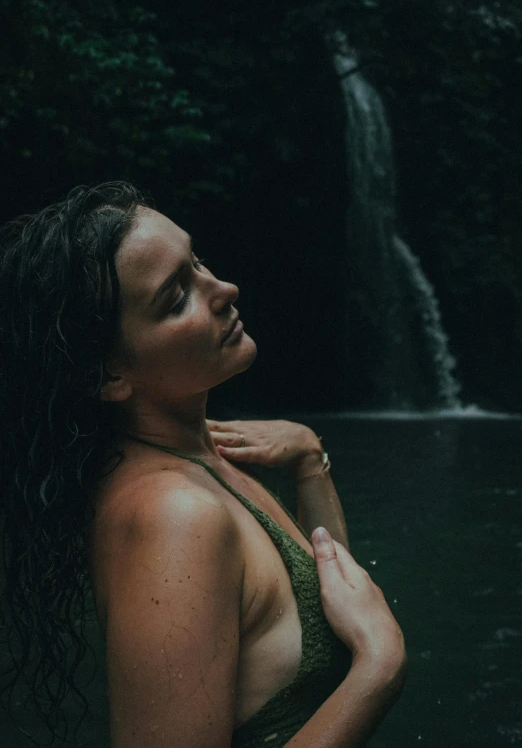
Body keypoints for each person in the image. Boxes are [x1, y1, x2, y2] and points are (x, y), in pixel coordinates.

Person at [0, 182, 406, 747]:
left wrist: (312, 461)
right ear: (109, 375)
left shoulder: (203, 458)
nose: (224, 289)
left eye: (195, 262)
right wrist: (379, 669)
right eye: (177, 298)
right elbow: (364, 647)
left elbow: (333, 600)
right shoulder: (175, 517)